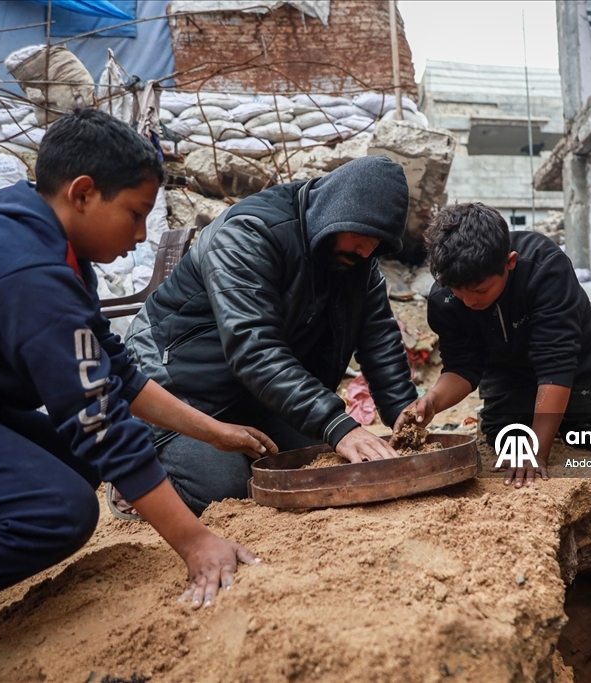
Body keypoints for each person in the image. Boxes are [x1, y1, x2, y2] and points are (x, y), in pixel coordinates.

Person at [0, 109, 276, 639]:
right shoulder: (27, 269)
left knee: (72, 463)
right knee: (58, 513)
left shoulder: (55, 251)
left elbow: (111, 366)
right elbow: (96, 418)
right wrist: (195, 541)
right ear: (84, 193)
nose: (141, 235)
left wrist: (214, 431)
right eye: (135, 214)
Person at [124, 155, 418, 515]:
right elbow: (254, 348)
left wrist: (404, 413)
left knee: (326, 466)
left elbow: (379, 339)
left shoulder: (355, 258)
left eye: (377, 243)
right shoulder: (249, 233)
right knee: (226, 492)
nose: (367, 250)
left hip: (259, 394)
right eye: (362, 236)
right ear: (335, 212)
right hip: (182, 390)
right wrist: (338, 425)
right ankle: (138, 475)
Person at [394, 202, 591, 487]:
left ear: (510, 262)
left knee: (590, 436)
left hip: (574, 357)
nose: (470, 302)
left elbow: (556, 363)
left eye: (480, 291)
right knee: (505, 438)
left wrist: (537, 451)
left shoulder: (544, 267)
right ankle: (549, 419)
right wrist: (432, 401)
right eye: (457, 292)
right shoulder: (445, 299)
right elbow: (462, 367)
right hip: (505, 367)